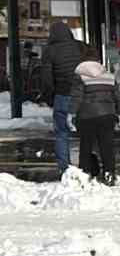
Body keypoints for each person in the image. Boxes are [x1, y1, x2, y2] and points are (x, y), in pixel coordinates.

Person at [68, 49, 120, 185]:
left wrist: (72, 114)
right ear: (98, 62)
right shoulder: (109, 77)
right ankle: (109, 174)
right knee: (107, 147)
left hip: (87, 115)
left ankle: (85, 175)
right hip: (107, 115)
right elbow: (117, 97)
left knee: (86, 146)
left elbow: (77, 97)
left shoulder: (80, 76)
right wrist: (119, 113)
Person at [40, 20, 86, 177]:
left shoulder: (49, 51)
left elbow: (46, 79)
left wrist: (49, 97)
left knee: (61, 133)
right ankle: (87, 166)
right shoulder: (80, 47)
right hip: (82, 95)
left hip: (62, 94)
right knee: (86, 132)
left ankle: (64, 169)